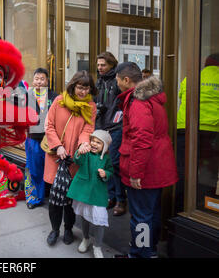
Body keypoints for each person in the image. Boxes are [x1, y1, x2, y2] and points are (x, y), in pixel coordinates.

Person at [115, 62, 178, 258]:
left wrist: (136, 173)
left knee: (141, 217)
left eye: (117, 80)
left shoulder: (138, 102)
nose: (116, 84)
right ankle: (149, 252)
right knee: (150, 214)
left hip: (145, 169)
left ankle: (139, 254)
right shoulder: (150, 98)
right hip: (157, 166)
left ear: (126, 80)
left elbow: (141, 140)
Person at [44, 70, 97, 246]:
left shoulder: (90, 106)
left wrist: (83, 144)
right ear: (73, 86)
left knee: (70, 197)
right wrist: (58, 146)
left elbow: (88, 130)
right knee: (55, 196)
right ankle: (54, 230)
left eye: (86, 88)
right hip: (56, 156)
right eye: (80, 87)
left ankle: (68, 229)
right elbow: (49, 125)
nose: (83, 92)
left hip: (75, 158)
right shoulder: (59, 101)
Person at [175, 53, 219, 214]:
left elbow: (181, 96)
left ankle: (179, 208)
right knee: (209, 171)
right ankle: (207, 205)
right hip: (212, 130)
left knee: (183, 170)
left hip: (185, 128)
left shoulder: (192, 77)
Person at [67, 129, 113, 258]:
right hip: (83, 191)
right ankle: (85, 239)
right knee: (84, 216)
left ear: (105, 146)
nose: (94, 144)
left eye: (98, 142)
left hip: (97, 193)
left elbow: (110, 170)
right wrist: (79, 151)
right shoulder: (86, 153)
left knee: (99, 221)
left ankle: (97, 246)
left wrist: (106, 174)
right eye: (92, 140)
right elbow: (77, 160)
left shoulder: (107, 158)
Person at [94, 52, 127, 216]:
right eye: (98, 65)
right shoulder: (99, 81)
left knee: (115, 164)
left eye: (103, 65)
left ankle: (121, 200)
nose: (100, 68)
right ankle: (111, 196)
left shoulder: (117, 80)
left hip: (115, 127)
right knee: (105, 164)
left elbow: (121, 105)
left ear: (111, 65)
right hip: (101, 127)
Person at [25, 68, 58, 209]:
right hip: (32, 139)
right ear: (33, 80)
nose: (39, 82)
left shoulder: (55, 97)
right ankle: (34, 198)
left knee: (53, 170)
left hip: (51, 140)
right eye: (36, 79)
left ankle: (55, 198)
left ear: (47, 81)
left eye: (42, 79)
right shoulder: (26, 96)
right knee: (33, 169)